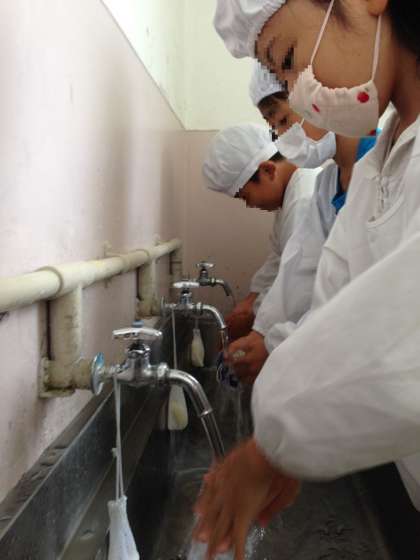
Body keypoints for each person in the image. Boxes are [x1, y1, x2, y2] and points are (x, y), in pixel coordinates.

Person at [195, 1, 420, 558]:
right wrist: (287, 445)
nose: (298, 96)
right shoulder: (380, 164)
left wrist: (277, 442)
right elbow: (334, 303)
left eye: (291, 58)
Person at [203, 123, 319, 340]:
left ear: (268, 170)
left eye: (246, 197)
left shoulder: (304, 198)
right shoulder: (292, 191)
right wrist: (251, 299)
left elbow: (298, 284)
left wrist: (256, 323)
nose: (250, 205)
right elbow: (278, 257)